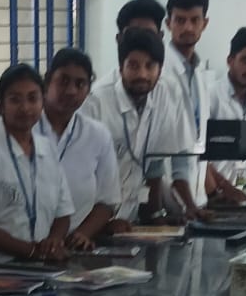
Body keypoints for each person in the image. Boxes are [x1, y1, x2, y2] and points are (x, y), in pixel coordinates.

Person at [81, 29, 201, 224]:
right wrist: (100, 225)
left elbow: (154, 167)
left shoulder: (163, 96)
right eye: (133, 66)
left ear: (160, 70)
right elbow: (83, 175)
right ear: (121, 68)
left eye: (149, 66)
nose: (142, 74)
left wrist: (154, 216)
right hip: (91, 221)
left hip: (129, 219)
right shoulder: (96, 102)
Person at [0, 64, 74, 262]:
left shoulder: (48, 148)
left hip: (42, 265)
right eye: (15, 100)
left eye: (33, 98)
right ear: (0, 106)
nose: (25, 108)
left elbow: (63, 212)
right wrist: (30, 251)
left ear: (42, 102)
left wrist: (53, 240)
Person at [35, 48, 121, 250]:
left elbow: (107, 201)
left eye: (80, 84)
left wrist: (82, 235)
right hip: (23, 247)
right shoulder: (25, 128)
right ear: (48, 80)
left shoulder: (97, 135)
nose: (71, 90)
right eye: (63, 81)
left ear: (89, 88)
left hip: (71, 248)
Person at [207, 26, 246, 206]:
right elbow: (195, 154)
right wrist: (224, 189)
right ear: (230, 60)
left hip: (239, 186)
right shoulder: (211, 95)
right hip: (209, 191)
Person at [164, 0, 213, 203]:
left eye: (195, 20)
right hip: (164, 194)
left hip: (195, 195)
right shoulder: (161, 71)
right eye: (180, 20)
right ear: (168, 24)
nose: (188, 27)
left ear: (205, 23)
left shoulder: (200, 73)